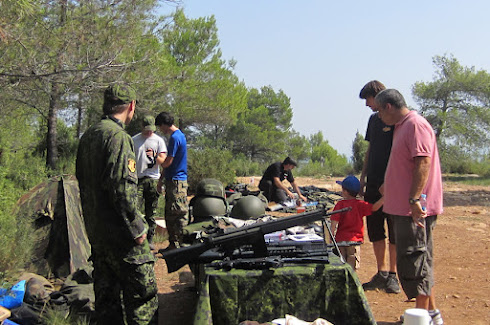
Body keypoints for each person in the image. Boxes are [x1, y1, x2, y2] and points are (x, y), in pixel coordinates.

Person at [76, 83, 158, 324]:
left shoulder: (89, 135)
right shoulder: (118, 137)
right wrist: (137, 229)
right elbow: (121, 188)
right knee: (143, 301)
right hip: (123, 239)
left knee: (107, 303)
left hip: (98, 236)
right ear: (131, 107)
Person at [375, 89, 444, 325]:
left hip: (414, 209)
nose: (379, 117)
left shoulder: (415, 125)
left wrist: (415, 199)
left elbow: (422, 162)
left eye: (379, 112)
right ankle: (431, 315)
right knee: (413, 261)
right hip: (403, 209)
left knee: (418, 260)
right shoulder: (401, 126)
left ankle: (420, 318)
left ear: (389, 107)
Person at [358, 80, 401, 293]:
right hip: (373, 184)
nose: (367, 104)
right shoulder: (373, 120)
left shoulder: (397, 120)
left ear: (377, 95)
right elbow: (370, 150)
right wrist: (363, 177)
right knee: (375, 229)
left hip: (392, 185)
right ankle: (381, 272)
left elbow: (399, 152)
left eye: (368, 99)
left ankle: (393, 275)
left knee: (394, 229)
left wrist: (392, 180)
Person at [330, 175, 384, 271]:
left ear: (345, 191)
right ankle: (351, 284)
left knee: (341, 266)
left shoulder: (340, 204)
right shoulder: (360, 204)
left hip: (340, 240)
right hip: (354, 241)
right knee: (352, 268)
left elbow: (334, 222)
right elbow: (374, 208)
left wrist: (331, 237)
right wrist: (384, 198)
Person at [155, 111, 189, 251]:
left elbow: (168, 162)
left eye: (160, 127)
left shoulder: (175, 138)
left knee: (178, 213)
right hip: (172, 180)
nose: (160, 130)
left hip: (177, 182)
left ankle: (182, 244)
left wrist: (156, 157)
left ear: (164, 124)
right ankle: (173, 244)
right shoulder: (177, 136)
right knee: (170, 214)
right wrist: (161, 179)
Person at [133, 115, 167, 250]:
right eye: (146, 129)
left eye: (151, 130)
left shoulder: (159, 140)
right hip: (137, 179)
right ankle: (136, 237)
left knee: (151, 212)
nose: (149, 132)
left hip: (153, 178)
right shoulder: (134, 140)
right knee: (134, 209)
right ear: (142, 127)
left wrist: (153, 159)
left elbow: (163, 158)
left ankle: (150, 239)